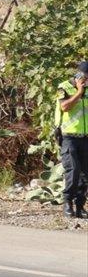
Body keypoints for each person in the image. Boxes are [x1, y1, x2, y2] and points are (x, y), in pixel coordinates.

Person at [56, 61, 88, 219]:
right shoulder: (64, 87)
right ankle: (67, 203)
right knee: (73, 171)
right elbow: (65, 107)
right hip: (69, 137)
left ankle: (80, 206)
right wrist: (79, 92)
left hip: (86, 137)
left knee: (85, 175)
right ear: (80, 76)